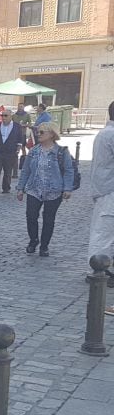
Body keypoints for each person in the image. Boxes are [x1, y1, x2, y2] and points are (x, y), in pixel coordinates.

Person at [16, 122, 75, 256]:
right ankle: (33, 240)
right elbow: (26, 170)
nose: (38, 134)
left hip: (54, 190)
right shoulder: (34, 151)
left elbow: (68, 170)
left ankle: (44, 245)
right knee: (31, 216)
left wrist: (67, 188)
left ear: (51, 134)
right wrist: (20, 188)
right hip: (34, 189)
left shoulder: (61, 152)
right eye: (38, 132)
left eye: (42, 132)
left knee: (48, 219)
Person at [88, 102, 114, 308]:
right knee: (104, 232)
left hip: (105, 190)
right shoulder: (110, 135)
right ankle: (97, 270)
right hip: (109, 191)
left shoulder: (106, 133)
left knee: (104, 231)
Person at [0, 108, 27, 194]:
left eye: (5, 115)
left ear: (11, 116)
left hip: (10, 152)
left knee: (8, 171)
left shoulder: (17, 127)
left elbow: (20, 139)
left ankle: (6, 188)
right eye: (2, 115)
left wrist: (17, 150)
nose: (3, 117)